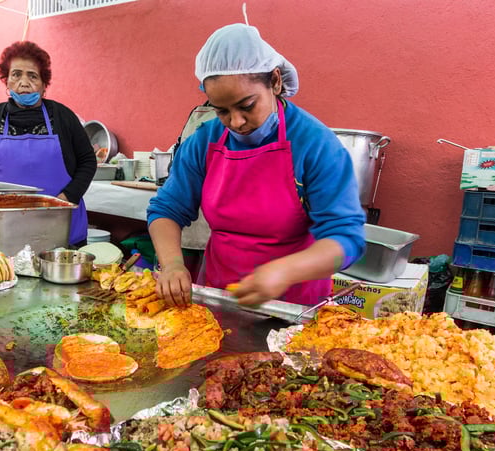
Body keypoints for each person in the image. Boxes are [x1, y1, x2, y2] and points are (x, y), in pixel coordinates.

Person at [147, 23, 365, 307]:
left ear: (275, 81)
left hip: (294, 308)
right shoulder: (204, 141)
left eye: (247, 105)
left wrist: (285, 271)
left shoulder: (315, 144)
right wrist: (173, 264)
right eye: (222, 111)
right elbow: (166, 210)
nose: (236, 122)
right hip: (221, 298)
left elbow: (347, 240)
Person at [0, 41, 96, 246]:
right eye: (16, 74)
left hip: (60, 222)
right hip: (4, 227)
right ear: (6, 81)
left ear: (44, 84)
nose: (23, 82)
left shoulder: (63, 117)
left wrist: (68, 196)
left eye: (32, 76)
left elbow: (87, 160)